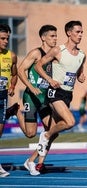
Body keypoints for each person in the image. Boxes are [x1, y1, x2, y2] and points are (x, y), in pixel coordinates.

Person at [34, 20, 86, 157]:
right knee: (70, 122)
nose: (80, 35)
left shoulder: (82, 55)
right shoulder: (58, 50)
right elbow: (38, 66)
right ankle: (45, 134)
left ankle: (32, 161)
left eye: (82, 32)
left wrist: (81, 76)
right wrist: (50, 80)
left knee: (56, 131)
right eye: (77, 32)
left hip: (68, 94)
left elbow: (79, 72)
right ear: (69, 33)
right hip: (55, 92)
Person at [16, 25, 58, 176]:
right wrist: (30, 87)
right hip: (31, 97)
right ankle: (17, 112)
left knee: (52, 131)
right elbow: (21, 70)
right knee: (30, 134)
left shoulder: (55, 54)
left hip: (45, 98)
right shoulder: (36, 53)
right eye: (52, 36)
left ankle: (33, 160)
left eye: (56, 36)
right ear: (43, 37)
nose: (55, 39)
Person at [0, 23, 19, 177]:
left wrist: (12, 87)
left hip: (2, 96)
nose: (5, 41)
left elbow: (14, 74)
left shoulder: (11, 56)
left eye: (7, 38)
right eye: (2, 38)